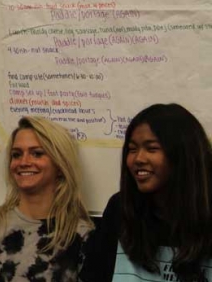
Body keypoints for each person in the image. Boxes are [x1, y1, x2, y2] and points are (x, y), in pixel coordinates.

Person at [0, 117, 92, 282]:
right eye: (16, 155)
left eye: (37, 154)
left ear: (60, 164)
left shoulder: (81, 236)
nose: (23, 162)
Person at [80, 104, 212, 282]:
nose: (138, 159)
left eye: (152, 148)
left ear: (182, 155)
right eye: (132, 149)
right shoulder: (120, 208)